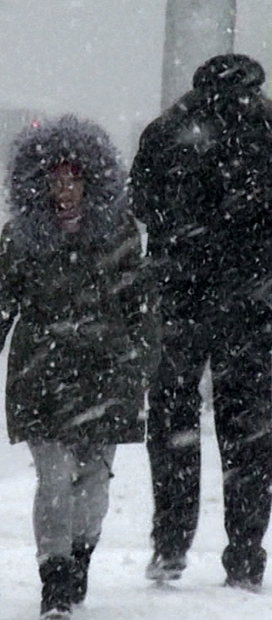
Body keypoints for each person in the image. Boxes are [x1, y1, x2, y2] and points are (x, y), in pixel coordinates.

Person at [0, 115, 154, 620]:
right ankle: (55, 576)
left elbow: (140, 305)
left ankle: (81, 553)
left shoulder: (119, 234)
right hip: (41, 374)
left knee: (93, 482)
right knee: (53, 478)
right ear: (39, 184)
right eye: (55, 179)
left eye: (73, 178)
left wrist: (148, 364)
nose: (64, 189)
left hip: (104, 373)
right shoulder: (20, 238)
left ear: (91, 181)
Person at [129, 53, 272, 591]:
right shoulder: (267, 128)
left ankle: (170, 544)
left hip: (179, 298)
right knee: (250, 433)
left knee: (173, 424)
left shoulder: (170, 129)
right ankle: (245, 554)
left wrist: (185, 240)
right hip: (253, 305)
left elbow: (141, 201)